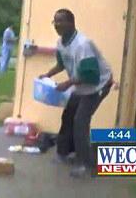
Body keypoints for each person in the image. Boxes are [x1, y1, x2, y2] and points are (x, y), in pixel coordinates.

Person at [39, 9, 114, 178]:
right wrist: (48, 75)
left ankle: (87, 166)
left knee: (80, 121)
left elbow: (91, 75)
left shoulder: (82, 45)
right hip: (81, 86)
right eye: (55, 21)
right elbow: (61, 64)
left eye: (61, 21)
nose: (57, 25)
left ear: (71, 23)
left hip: (98, 85)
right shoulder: (61, 43)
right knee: (68, 116)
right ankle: (64, 153)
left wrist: (67, 83)